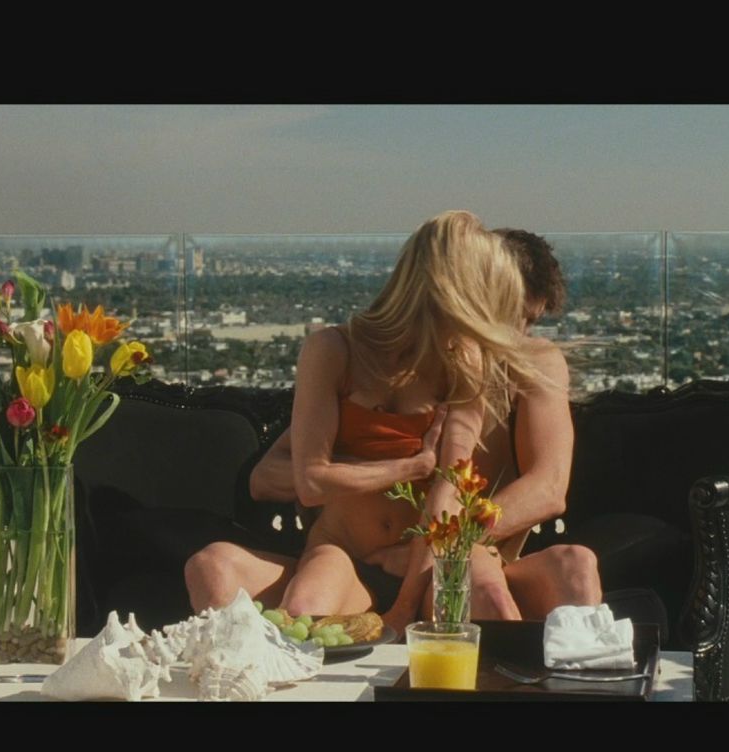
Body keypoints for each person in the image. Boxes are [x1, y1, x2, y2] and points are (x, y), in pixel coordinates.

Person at [185, 224, 602, 626]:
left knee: (557, 571)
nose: (516, 333)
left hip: (452, 557)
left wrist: (442, 544)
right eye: (510, 312)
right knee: (224, 572)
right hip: (348, 556)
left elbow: (546, 489)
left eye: (529, 321)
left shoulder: (517, 364)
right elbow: (271, 477)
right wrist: (374, 466)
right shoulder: (364, 360)